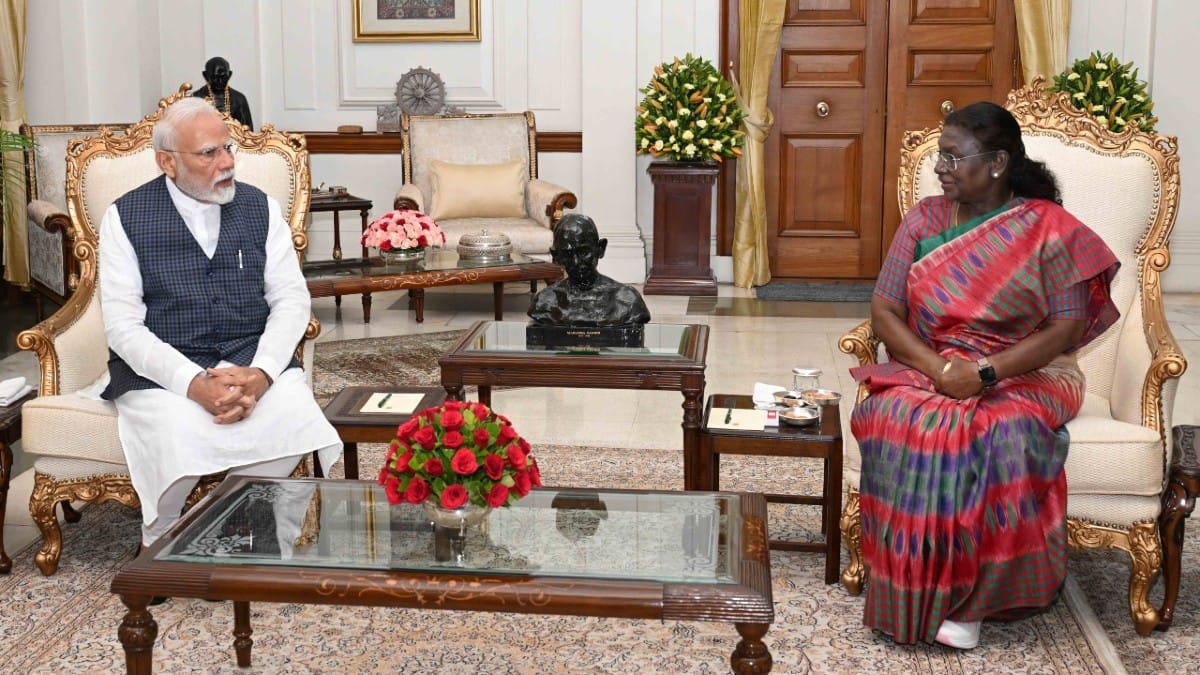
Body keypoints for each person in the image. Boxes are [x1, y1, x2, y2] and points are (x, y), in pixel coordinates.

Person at [849, 101, 1120, 649]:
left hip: (1030, 370)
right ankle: (911, 588)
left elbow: (1065, 330)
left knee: (1001, 429)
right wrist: (940, 369)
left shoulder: (1049, 229)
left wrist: (986, 373)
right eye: (938, 156)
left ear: (997, 163)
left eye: (953, 157)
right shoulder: (923, 219)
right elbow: (884, 311)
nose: (940, 168)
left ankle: (972, 604)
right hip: (934, 362)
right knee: (894, 414)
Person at [98, 97, 341, 557]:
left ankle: (242, 521)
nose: (227, 162)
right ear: (167, 162)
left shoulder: (259, 207)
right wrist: (191, 383)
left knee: (295, 416)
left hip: (250, 356)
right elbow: (123, 328)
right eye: (209, 153)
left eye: (228, 148)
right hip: (164, 369)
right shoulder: (125, 217)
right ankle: (161, 540)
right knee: (174, 430)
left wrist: (263, 373)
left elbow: (290, 299)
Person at [527, 213, 651, 326]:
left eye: (583, 252)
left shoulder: (627, 300)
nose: (576, 262)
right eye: (567, 254)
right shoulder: (545, 302)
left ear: (600, 249)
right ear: (556, 256)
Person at [194, 56, 254, 129]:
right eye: (215, 77)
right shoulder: (196, 99)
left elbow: (248, 132)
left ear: (229, 75)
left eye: (224, 77)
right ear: (206, 76)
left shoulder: (239, 99)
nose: (220, 81)